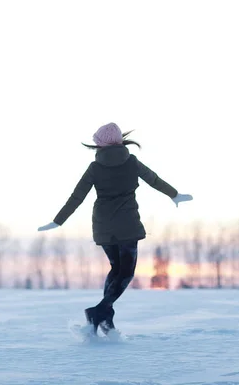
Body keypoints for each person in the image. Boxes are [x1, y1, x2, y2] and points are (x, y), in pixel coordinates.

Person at [37, 122, 193, 335]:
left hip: (103, 225)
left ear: (100, 145)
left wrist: (58, 220)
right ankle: (99, 312)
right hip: (127, 225)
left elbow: (77, 196)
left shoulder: (94, 168)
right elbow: (154, 180)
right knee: (126, 272)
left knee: (116, 269)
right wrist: (174, 194)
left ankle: (105, 319)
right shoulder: (132, 162)